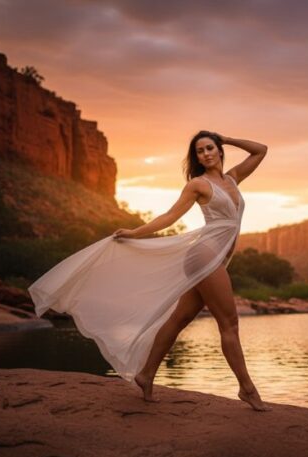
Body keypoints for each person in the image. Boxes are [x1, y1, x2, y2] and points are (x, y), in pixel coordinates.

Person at [28, 131, 271, 411]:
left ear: (219, 150)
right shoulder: (198, 185)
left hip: (215, 257)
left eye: (209, 148)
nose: (205, 154)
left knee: (179, 319)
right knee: (230, 324)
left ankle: (145, 375)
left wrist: (225, 137)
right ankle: (247, 388)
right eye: (200, 151)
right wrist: (136, 233)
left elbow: (261, 150)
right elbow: (169, 216)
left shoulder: (232, 178)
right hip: (204, 255)